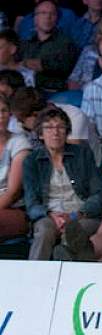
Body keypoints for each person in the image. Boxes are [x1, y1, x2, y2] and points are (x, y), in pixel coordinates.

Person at [22, 106, 102, 260]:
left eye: (60, 127)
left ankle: (68, 272)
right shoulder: (31, 161)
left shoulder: (83, 154)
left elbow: (98, 194)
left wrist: (76, 215)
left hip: (82, 215)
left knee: (73, 232)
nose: (55, 132)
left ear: (67, 131)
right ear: (40, 134)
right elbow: (31, 203)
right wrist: (51, 215)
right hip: (49, 216)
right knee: (44, 231)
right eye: (49, 128)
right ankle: (34, 277)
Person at [0, 95, 30, 240]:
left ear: (10, 114)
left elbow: (13, 192)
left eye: (4, 111)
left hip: (13, 208)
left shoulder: (19, 142)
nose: (0, 116)